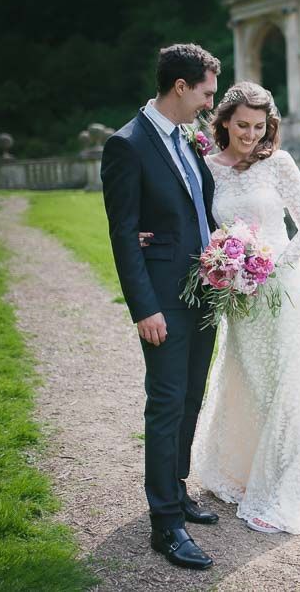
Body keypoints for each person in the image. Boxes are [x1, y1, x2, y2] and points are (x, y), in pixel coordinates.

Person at [190, 81, 300, 535]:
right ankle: (243, 472)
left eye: (260, 126)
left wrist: (267, 266)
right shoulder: (207, 168)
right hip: (236, 296)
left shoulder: (281, 164)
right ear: (225, 123)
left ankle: (284, 486)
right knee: (248, 379)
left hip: (284, 289)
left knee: (286, 386)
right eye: (242, 126)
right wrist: (226, 267)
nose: (252, 135)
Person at [101, 43, 221, 570]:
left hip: (205, 291)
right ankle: (165, 525)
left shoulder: (187, 139)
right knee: (167, 401)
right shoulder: (126, 145)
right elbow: (125, 233)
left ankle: (177, 487)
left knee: (192, 395)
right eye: (207, 93)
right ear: (181, 87)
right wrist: (143, 307)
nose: (210, 105)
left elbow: (198, 207)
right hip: (163, 301)